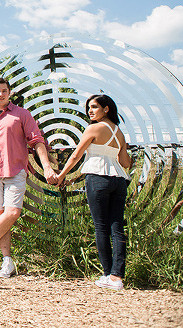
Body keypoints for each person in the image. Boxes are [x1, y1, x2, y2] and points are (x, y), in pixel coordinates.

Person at [0, 77, 55, 278]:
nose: (1, 94)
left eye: (4, 90)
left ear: (10, 93)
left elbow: (37, 141)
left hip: (15, 170)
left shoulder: (22, 114)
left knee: (13, 212)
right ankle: (7, 263)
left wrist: (47, 167)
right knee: (1, 217)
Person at [55, 94, 132, 291]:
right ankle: (117, 276)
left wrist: (62, 175)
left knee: (101, 227)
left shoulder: (93, 128)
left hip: (98, 178)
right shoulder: (119, 132)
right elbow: (125, 163)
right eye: (89, 107)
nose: (90, 110)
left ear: (106, 109)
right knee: (117, 227)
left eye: (95, 107)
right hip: (119, 181)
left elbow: (76, 155)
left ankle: (107, 274)